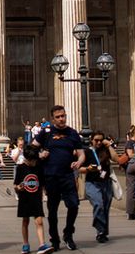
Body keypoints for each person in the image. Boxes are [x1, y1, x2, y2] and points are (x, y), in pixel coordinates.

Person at [32, 105, 86, 251]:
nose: (61, 119)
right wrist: (39, 154)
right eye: (58, 117)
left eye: (63, 116)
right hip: (51, 176)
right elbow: (31, 149)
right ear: (52, 118)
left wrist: (79, 162)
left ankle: (68, 234)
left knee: (74, 205)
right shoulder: (46, 133)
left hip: (67, 175)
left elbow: (81, 154)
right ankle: (54, 239)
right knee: (52, 210)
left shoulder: (72, 133)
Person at [14, 144, 53, 254]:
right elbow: (15, 185)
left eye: (35, 160)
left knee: (39, 221)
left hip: (36, 198)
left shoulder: (38, 167)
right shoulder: (20, 168)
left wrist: (46, 193)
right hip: (24, 198)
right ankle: (25, 244)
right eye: (32, 160)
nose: (34, 162)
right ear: (27, 159)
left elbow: (42, 183)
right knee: (25, 221)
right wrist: (18, 187)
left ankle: (42, 245)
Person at [82, 131, 115, 243]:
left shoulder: (105, 150)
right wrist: (88, 169)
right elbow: (79, 168)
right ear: (91, 140)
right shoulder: (87, 152)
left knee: (105, 209)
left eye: (101, 140)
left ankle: (102, 233)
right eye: (96, 140)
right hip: (92, 183)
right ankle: (100, 229)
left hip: (106, 183)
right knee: (98, 204)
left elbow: (116, 159)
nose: (99, 142)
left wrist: (109, 145)